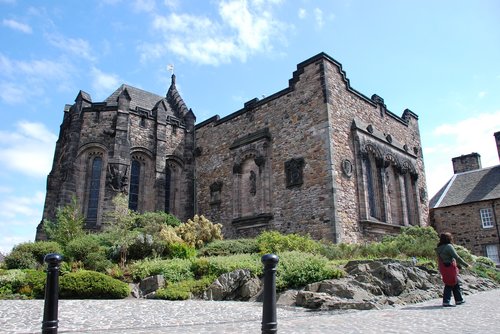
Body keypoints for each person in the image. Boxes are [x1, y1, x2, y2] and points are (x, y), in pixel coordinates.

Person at [436, 232, 469, 307]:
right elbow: (457, 257)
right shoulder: (449, 246)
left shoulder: (439, 248)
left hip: (443, 267)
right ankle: (446, 301)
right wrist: (466, 265)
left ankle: (459, 300)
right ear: (449, 238)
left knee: (455, 282)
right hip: (449, 267)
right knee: (450, 283)